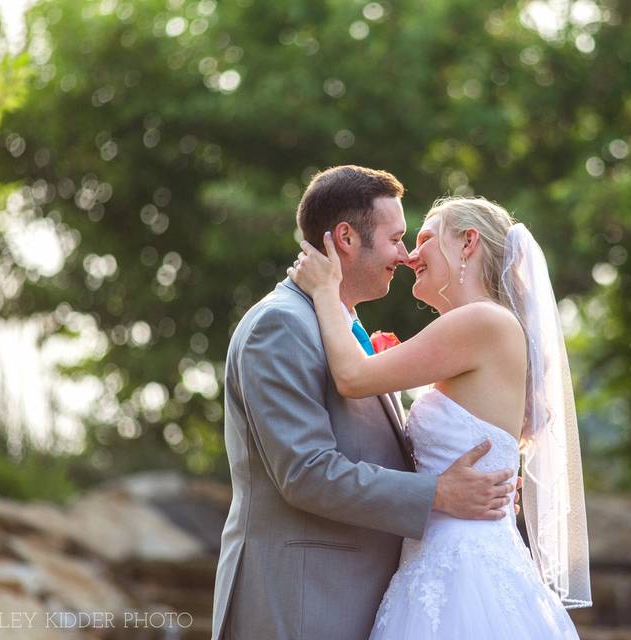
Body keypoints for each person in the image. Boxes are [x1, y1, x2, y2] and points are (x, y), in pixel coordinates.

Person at [211, 167, 517, 640]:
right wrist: (439, 493)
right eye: (396, 238)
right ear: (347, 238)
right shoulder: (282, 326)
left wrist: (489, 477)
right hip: (302, 603)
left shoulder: (341, 328)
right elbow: (306, 472)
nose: (405, 253)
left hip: (374, 597)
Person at [288, 195, 592, 639]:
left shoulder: (481, 322)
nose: (410, 255)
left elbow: (352, 377)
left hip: (463, 569)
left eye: (426, 238)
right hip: (441, 556)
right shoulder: (488, 327)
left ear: (468, 243)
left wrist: (324, 290)